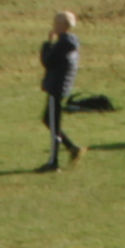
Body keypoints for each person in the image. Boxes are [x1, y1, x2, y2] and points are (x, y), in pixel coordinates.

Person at [38, 11, 84, 171]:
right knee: (49, 120)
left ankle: (53, 162)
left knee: (53, 124)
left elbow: (47, 61)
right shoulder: (71, 43)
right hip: (61, 87)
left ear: (61, 26)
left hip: (56, 88)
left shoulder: (62, 44)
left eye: (55, 23)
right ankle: (72, 148)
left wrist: (47, 43)